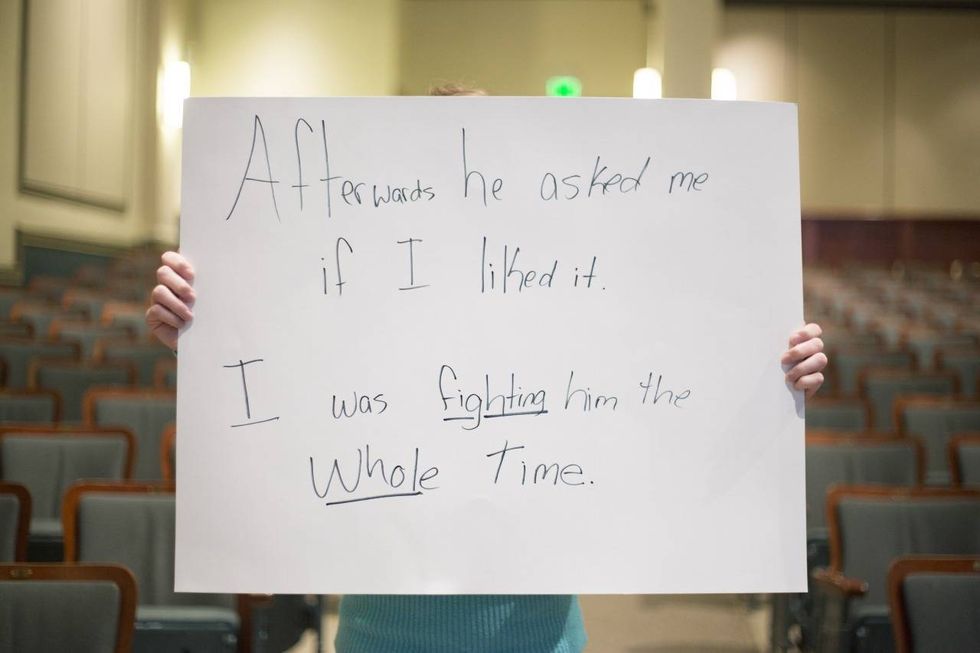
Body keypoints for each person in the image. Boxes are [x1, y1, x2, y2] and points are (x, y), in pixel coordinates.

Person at [147, 250, 825, 652]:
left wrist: (772, 380)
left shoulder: (566, 315)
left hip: (539, 640)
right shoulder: (357, 322)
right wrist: (209, 344)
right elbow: (279, 419)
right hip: (382, 640)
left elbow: (666, 410)